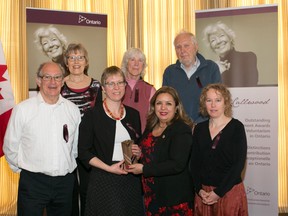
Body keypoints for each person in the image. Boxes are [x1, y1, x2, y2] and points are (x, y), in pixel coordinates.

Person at [3, 61, 81, 216]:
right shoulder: (23, 110)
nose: (53, 82)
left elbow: (74, 149)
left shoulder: (72, 110)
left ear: (62, 81)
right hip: (33, 183)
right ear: (38, 81)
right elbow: (10, 147)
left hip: (64, 185)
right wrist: (23, 169)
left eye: (57, 77)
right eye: (47, 77)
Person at [78, 66, 144, 215]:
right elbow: (83, 152)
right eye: (111, 83)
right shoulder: (92, 115)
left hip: (130, 179)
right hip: (103, 179)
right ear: (103, 88)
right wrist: (109, 168)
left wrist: (138, 153)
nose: (116, 87)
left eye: (120, 83)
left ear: (125, 86)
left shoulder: (134, 114)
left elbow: (138, 147)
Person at [127, 86, 195, 215]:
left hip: (173, 199)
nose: (163, 108)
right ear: (154, 107)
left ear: (176, 108)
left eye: (168, 104)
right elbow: (153, 153)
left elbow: (177, 164)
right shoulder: (151, 126)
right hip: (151, 196)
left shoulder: (181, 129)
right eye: (159, 103)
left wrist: (143, 169)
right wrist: (140, 153)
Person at [190, 83, 248, 216]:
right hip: (203, 194)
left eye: (218, 100)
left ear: (225, 102)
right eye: (208, 100)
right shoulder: (199, 129)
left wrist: (218, 193)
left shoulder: (237, 127)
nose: (213, 105)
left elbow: (238, 165)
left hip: (229, 192)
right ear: (204, 103)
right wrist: (199, 189)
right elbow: (194, 163)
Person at [61, 43, 102, 216]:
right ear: (66, 62)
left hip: (89, 146)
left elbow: (100, 118)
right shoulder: (58, 85)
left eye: (80, 57)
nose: (76, 61)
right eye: (72, 57)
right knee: (68, 191)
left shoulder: (97, 86)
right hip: (65, 145)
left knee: (88, 190)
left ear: (86, 62)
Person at [163, 30, 222, 123]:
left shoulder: (211, 68)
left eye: (186, 45)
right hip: (178, 128)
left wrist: (198, 124)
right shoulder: (169, 72)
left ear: (196, 47)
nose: (182, 50)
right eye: (178, 47)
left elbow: (217, 101)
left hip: (206, 126)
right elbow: (166, 105)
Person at [203, 21, 259, 87]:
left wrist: (223, 72)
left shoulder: (248, 57)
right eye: (213, 40)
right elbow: (203, 89)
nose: (218, 41)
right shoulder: (212, 68)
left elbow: (251, 84)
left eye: (221, 36)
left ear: (230, 38)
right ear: (211, 47)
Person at [121, 47, 156, 132]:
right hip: (120, 136)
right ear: (126, 63)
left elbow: (154, 119)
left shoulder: (150, 90)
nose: (136, 64)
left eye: (140, 60)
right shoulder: (118, 87)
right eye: (132, 59)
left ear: (143, 66)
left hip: (143, 137)